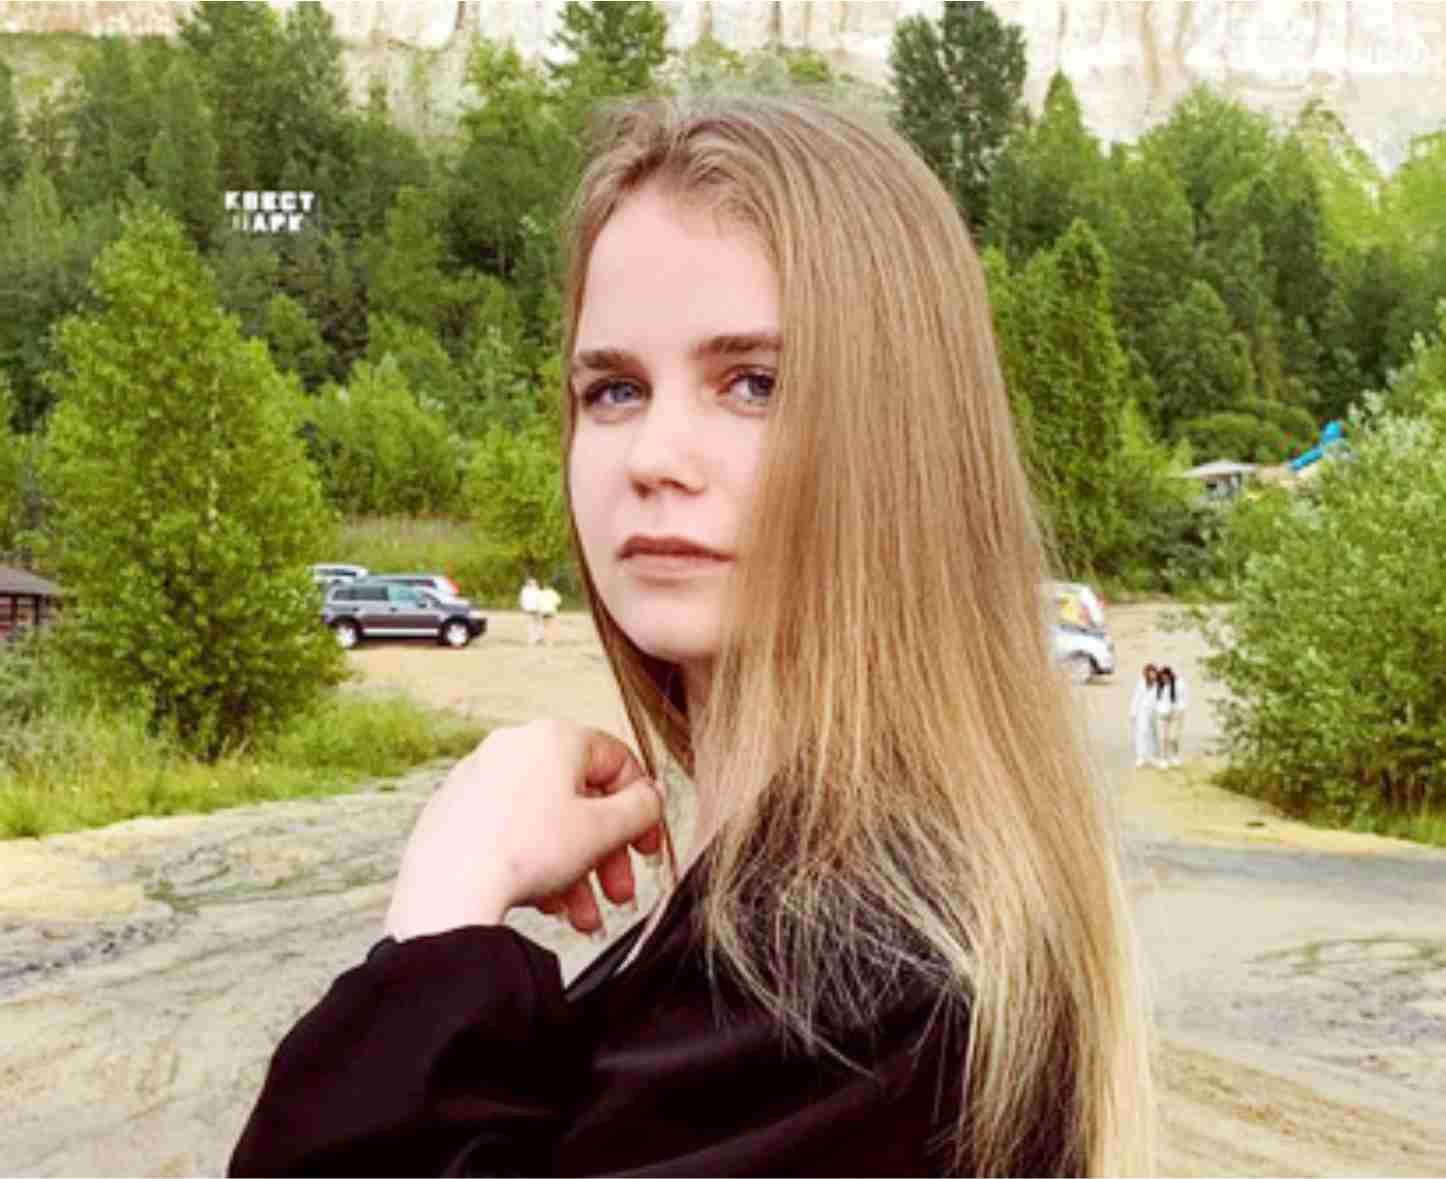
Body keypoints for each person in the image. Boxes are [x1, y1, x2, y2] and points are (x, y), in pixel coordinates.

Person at [231, 94, 1154, 1178]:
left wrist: (441, 917)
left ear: (903, 437)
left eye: (754, 384)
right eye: (614, 389)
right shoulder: (793, 923)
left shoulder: (854, 983)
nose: (653, 457)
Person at [1153, 665, 1189, 768]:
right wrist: (1157, 710)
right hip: (1162, 714)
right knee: (1163, 738)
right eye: (1162, 678)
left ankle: (1175, 756)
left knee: (1174, 737)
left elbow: (1184, 698)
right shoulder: (1158, 685)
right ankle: (1163, 759)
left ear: (1170, 675)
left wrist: (1179, 711)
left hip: (1175, 713)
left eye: (1166, 678)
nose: (1165, 680)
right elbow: (1154, 700)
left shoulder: (1179, 683)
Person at [1130, 663, 1159, 769]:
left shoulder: (1158, 684)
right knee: (1142, 732)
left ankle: (1152, 756)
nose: (1152, 675)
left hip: (1154, 711)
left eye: (1154, 673)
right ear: (1147, 673)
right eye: (1150, 673)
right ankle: (1140, 757)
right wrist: (1133, 712)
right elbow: (1136, 698)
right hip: (1142, 711)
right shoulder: (1141, 683)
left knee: (1153, 734)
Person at [519, 575, 542, 645]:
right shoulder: (536, 589)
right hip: (535, 608)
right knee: (536, 624)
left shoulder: (524, 590)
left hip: (530, 609)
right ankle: (536, 637)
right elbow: (540, 599)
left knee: (531, 624)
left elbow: (522, 600)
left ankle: (533, 639)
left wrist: (523, 607)